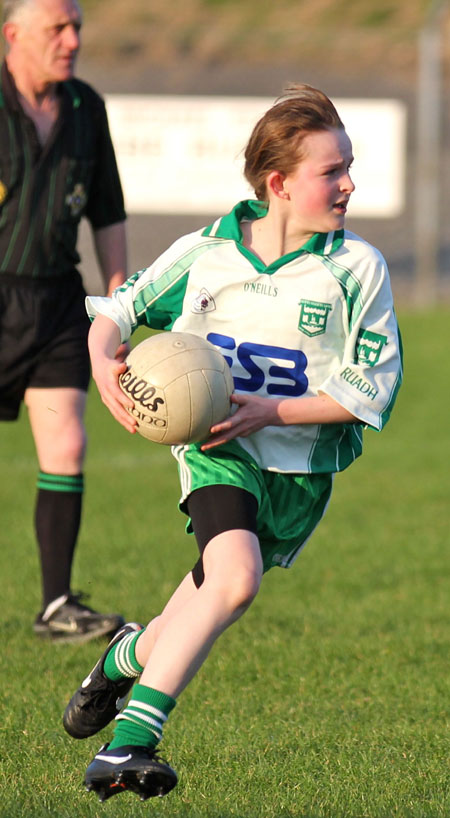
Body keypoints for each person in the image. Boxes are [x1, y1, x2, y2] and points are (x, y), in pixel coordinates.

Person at [63, 84, 403, 800]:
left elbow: (370, 388)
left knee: (209, 591)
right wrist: (103, 364)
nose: (348, 184)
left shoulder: (357, 269)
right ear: (278, 183)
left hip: (299, 473)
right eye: (331, 171)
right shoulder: (207, 254)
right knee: (234, 578)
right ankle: (129, 745)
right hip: (217, 451)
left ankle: (124, 656)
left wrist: (270, 413)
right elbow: (115, 314)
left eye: (349, 166)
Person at [0, 0, 128, 641]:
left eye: (77, 26)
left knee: (68, 444)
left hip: (55, 305)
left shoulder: (85, 109)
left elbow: (107, 214)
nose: (73, 39)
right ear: (13, 35)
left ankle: (57, 605)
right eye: (58, 28)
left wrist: (116, 305)